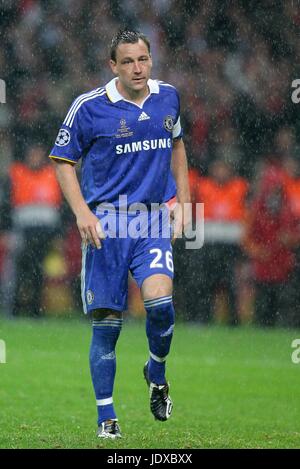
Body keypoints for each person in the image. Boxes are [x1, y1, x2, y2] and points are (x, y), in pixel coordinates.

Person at [49, 29, 190, 439]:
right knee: (108, 325)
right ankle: (106, 418)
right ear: (113, 65)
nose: (137, 68)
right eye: (127, 61)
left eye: (143, 59)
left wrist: (182, 200)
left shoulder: (168, 97)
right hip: (106, 226)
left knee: (161, 305)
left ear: (151, 59)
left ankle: (156, 373)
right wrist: (82, 214)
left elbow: (177, 146)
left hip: (150, 221)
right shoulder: (89, 107)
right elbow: (62, 161)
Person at [0, 144, 62, 317]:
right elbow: (5, 206)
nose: (34, 157)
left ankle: (35, 310)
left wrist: (58, 235)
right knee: (17, 273)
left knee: (39, 274)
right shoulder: (16, 175)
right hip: (22, 233)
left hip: (45, 235)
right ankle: (14, 310)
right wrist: (5, 230)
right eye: (32, 153)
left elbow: (61, 209)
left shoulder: (52, 175)